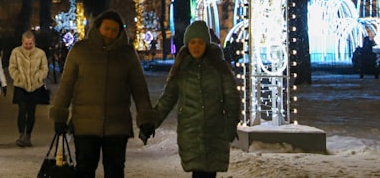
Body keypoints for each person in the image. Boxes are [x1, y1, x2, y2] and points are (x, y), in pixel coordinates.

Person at [50, 9, 155, 178]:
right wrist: (60, 115)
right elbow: (66, 85)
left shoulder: (127, 54)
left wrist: (146, 118)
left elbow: (139, 88)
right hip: (84, 125)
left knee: (115, 171)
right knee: (85, 170)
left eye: (114, 30)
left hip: (117, 126)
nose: (110, 33)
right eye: (107, 28)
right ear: (98, 27)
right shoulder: (80, 51)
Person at [147, 21, 239, 178]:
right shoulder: (182, 68)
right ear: (187, 44)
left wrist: (230, 125)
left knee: (209, 173)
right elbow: (168, 99)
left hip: (215, 133)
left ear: (207, 44)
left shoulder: (219, 68)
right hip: (190, 133)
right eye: (192, 42)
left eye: (200, 42)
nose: (196, 46)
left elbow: (232, 99)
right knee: (199, 173)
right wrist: (151, 123)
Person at [8, 29, 49, 147]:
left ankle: (28, 135)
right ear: (22, 42)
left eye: (30, 44)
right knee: (22, 110)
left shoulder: (40, 53)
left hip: (35, 86)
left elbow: (44, 68)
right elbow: (12, 67)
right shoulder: (16, 52)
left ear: (34, 42)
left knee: (31, 112)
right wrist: (18, 77)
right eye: (26, 43)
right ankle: (21, 134)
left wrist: (38, 77)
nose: (28, 46)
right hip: (21, 86)